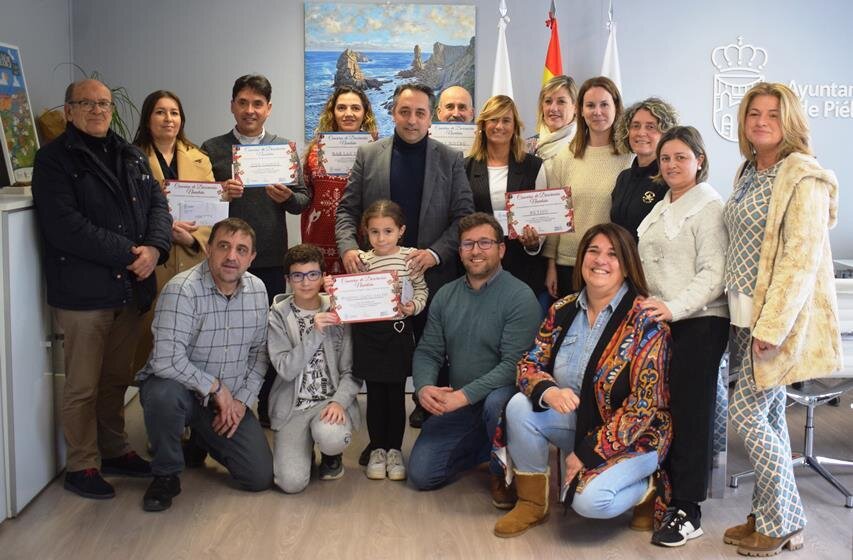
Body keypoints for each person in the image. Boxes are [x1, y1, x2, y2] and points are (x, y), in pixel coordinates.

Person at [31, 79, 172, 499]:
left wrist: (156, 247)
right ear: (68, 109)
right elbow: (66, 227)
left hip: (130, 290)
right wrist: (132, 252)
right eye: (86, 103)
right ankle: (82, 465)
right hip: (84, 294)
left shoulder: (130, 154)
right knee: (82, 385)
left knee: (115, 379)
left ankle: (113, 449)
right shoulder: (53, 160)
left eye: (104, 104)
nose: (97, 110)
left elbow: (158, 207)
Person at [723, 82, 841, 557]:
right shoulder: (749, 170)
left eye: (773, 114)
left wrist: (771, 328)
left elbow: (799, 259)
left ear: (789, 121)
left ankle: (786, 519)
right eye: (754, 113)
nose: (762, 121)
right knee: (768, 416)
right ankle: (768, 513)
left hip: (772, 322)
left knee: (746, 412)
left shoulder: (803, 176)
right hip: (740, 314)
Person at [494, 223, 671, 538]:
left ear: (628, 266)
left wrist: (587, 453)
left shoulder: (646, 321)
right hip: (581, 421)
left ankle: (648, 488)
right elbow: (529, 362)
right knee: (520, 406)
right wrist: (548, 391)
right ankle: (532, 503)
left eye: (613, 255)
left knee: (589, 502)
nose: (601, 260)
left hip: (637, 437)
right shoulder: (562, 309)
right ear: (581, 259)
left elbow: (643, 407)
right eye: (594, 251)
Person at [336, 82, 474, 435]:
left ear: (431, 117)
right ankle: (383, 434)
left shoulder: (450, 158)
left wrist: (434, 253)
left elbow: (463, 217)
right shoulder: (368, 155)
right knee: (384, 357)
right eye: (405, 112)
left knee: (432, 347)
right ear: (393, 112)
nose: (412, 120)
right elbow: (347, 211)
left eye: (420, 113)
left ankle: (429, 410)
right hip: (378, 280)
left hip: (431, 276)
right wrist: (349, 247)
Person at [137, 218, 273, 512]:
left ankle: (199, 440)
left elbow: (259, 354)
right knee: (162, 394)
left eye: (241, 249)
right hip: (182, 393)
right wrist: (215, 388)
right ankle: (166, 474)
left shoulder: (259, 290)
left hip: (226, 402)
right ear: (208, 249)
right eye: (223, 246)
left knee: (259, 476)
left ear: (251, 258)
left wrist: (241, 401)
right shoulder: (182, 290)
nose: (231, 256)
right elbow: (165, 359)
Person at [635, 126, 729, 546]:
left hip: (700, 322)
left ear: (700, 161)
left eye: (681, 157)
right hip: (663, 323)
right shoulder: (660, 205)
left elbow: (715, 273)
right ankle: (668, 492)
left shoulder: (708, 206)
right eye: (666, 158)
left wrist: (673, 307)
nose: (671, 165)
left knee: (692, 416)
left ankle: (689, 510)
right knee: (666, 412)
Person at [201, 74, 310, 427]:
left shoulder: (284, 149)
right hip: (224, 262)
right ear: (232, 105)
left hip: (268, 258)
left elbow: (303, 201)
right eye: (243, 102)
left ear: (268, 108)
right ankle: (217, 402)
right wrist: (219, 192)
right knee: (221, 331)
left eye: (257, 104)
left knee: (266, 334)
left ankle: (263, 404)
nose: (250, 110)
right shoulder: (211, 148)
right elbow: (198, 203)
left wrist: (289, 197)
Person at [408, 213, 540, 505]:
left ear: (501, 249)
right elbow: (428, 351)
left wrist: (463, 396)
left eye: (484, 243)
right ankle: (488, 445)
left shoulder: (520, 297)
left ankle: (500, 470)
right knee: (421, 474)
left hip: (504, 399)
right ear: (459, 250)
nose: (476, 251)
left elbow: (513, 366)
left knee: (495, 403)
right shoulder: (445, 295)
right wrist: (424, 387)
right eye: (468, 244)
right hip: (462, 402)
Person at [131, 90, 216, 373]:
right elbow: (127, 211)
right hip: (153, 261)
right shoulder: (130, 159)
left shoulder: (200, 159)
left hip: (192, 258)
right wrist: (166, 229)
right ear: (147, 118)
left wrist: (192, 238)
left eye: (174, 113)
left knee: (193, 337)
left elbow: (211, 215)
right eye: (160, 112)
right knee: (149, 338)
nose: (168, 119)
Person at [267, 244, 362, 493]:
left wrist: (340, 402)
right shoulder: (278, 314)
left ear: (322, 276)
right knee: (291, 483)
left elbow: (353, 370)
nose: (306, 282)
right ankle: (302, 447)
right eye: (297, 275)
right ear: (288, 279)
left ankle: (331, 456)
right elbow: (285, 369)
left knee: (331, 437)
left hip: (328, 402)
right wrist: (314, 333)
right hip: (293, 406)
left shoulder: (338, 307)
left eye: (312, 274)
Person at [348, 200, 428, 481]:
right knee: (374, 395)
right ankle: (377, 449)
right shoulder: (363, 260)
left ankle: (395, 450)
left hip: (397, 333)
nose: (381, 238)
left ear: (401, 231)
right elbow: (353, 295)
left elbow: (421, 290)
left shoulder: (410, 259)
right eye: (374, 232)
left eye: (388, 231)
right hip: (368, 336)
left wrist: (413, 307)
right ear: (365, 233)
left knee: (395, 395)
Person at [544, 76, 633, 298]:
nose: (597, 112)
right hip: (568, 264)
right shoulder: (566, 156)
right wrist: (551, 265)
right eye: (590, 105)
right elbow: (556, 217)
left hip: (611, 265)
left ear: (616, 108)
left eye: (604, 104)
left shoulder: (630, 158)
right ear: (580, 111)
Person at [464, 95, 548, 304]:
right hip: (480, 265)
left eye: (506, 120)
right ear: (483, 125)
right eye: (493, 119)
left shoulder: (534, 166)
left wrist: (533, 243)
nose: (499, 126)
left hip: (523, 265)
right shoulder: (466, 167)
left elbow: (543, 221)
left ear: (515, 127)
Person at [302, 86, 378, 274]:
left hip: (361, 237)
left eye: (355, 108)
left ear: (365, 113)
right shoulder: (315, 152)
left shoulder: (378, 152)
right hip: (320, 234)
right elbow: (305, 196)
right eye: (341, 108)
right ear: (332, 112)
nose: (348, 114)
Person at [610, 98, 678, 242]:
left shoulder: (670, 179)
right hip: (621, 261)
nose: (641, 133)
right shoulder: (623, 177)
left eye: (650, 127)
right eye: (635, 126)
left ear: (665, 134)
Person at [526, 75, 578, 177]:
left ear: (575, 107)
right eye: (548, 101)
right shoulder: (526, 148)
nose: (553, 108)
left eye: (561, 101)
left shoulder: (585, 145)